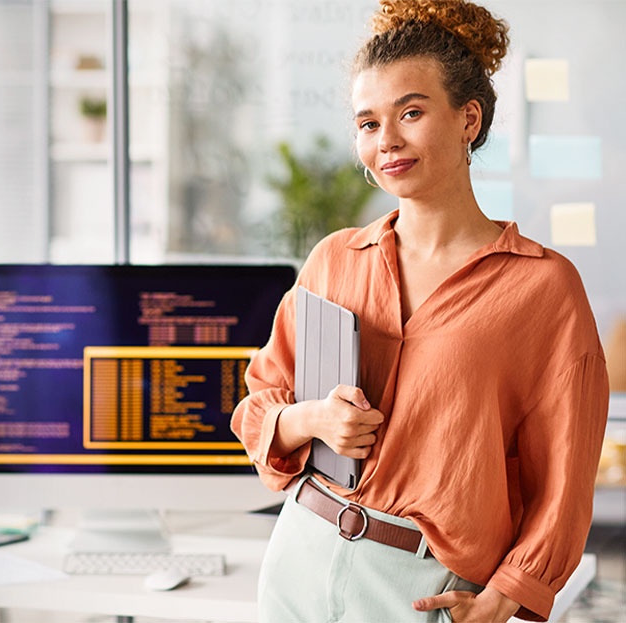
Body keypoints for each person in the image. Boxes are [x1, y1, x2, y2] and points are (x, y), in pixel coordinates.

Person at [230, 1, 610, 621]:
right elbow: (260, 403)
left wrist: (506, 596)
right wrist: (313, 419)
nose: (388, 142)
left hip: (418, 584)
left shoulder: (544, 289)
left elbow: (563, 480)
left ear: (468, 118)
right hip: (298, 555)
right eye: (368, 123)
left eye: (410, 112)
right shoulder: (334, 259)